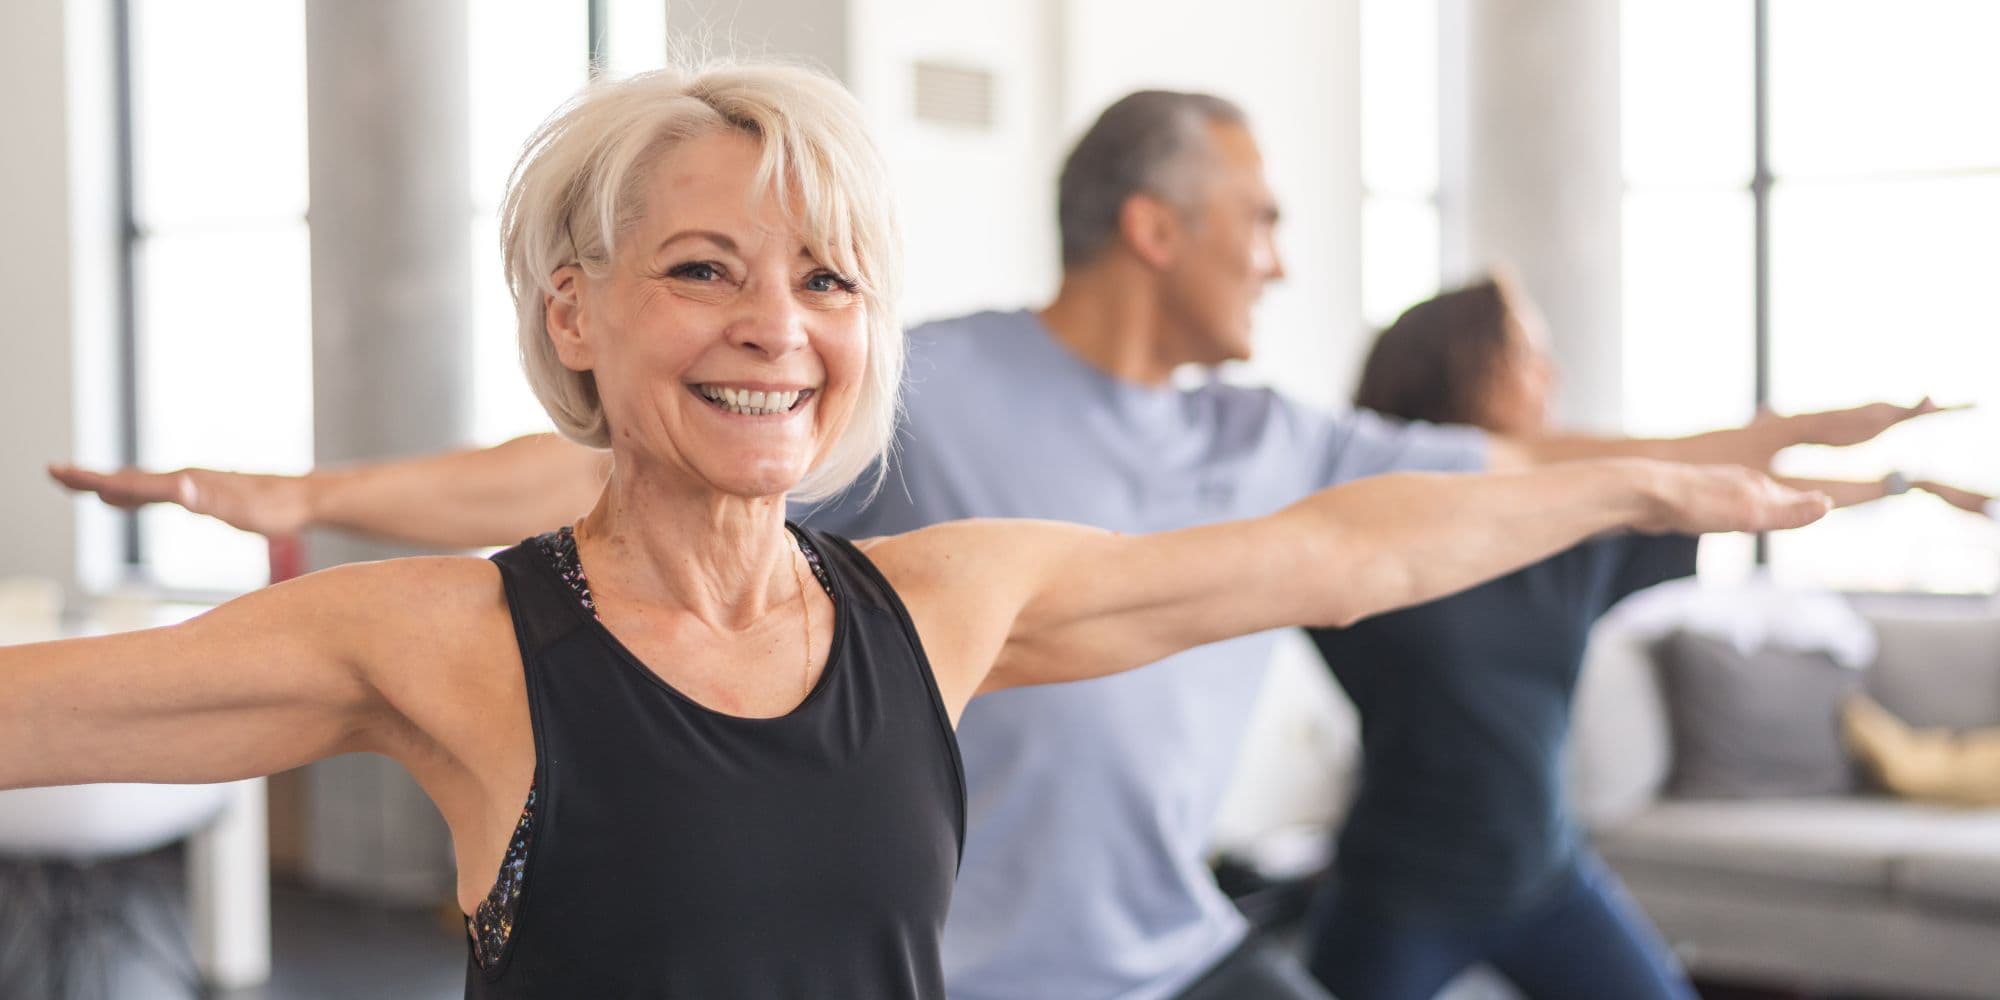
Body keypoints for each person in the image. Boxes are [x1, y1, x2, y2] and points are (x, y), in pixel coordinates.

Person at [46, 91, 1920, 1000]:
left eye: (827, 277)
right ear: (576, 317)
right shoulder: (453, 643)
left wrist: (1641, 486)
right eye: (702, 270)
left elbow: (1338, 549)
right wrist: (305, 500)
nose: (777, 323)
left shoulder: (938, 603)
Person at [1300, 275, 1972, 1000]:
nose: (1550, 377)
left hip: (1549, 880)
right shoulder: (1362, 539)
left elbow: (1733, 487)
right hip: (1401, 895)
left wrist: (1903, 484)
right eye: (1527, 354)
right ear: (1459, 370)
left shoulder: (1571, 532)